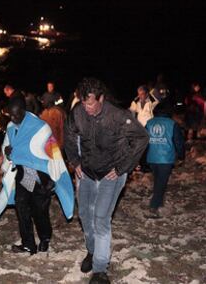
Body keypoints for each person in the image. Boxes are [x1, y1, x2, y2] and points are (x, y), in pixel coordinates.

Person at [64, 77, 148, 284]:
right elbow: (68, 135)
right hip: (88, 173)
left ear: (101, 98)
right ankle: (92, 252)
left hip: (112, 173)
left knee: (101, 218)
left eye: (91, 103)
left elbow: (141, 138)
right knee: (84, 214)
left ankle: (101, 269)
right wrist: (75, 161)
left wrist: (123, 168)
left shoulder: (118, 116)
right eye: (84, 103)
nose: (87, 108)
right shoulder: (78, 113)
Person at [0, 96, 74, 255]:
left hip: (40, 175)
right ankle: (28, 244)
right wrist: (8, 154)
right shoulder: (11, 127)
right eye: (11, 115)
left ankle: (45, 238)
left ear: (24, 111)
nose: (14, 118)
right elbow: (9, 149)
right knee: (21, 207)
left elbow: (53, 153)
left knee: (39, 211)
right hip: (23, 173)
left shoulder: (40, 127)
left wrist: (54, 175)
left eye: (17, 115)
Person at [145, 101, 185, 219]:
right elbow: (178, 142)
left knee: (158, 181)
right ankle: (153, 207)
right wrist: (181, 155)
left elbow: (143, 141)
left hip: (152, 157)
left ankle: (159, 202)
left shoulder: (149, 123)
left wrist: (142, 159)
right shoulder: (172, 124)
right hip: (166, 158)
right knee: (161, 183)